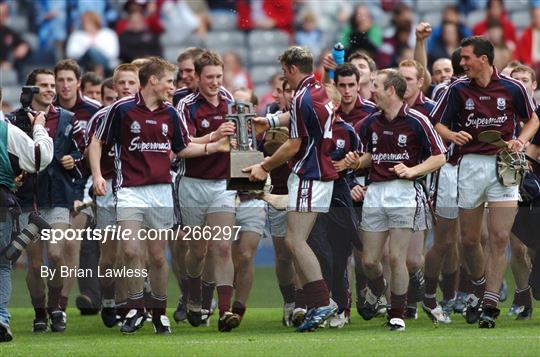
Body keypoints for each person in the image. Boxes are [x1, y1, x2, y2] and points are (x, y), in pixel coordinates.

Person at [90, 56, 231, 335]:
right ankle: (135, 308)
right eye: (168, 80)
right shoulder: (121, 109)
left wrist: (212, 147)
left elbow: (182, 148)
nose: (173, 86)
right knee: (130, 249)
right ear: (153, 80)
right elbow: (97, 141)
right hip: (129, 190)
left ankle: (158, 313)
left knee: (156, 256)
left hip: (161, 191)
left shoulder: (171, 113)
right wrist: (96, 174)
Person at [431, 36, 539, 328]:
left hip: (503, 164)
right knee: (469, 239)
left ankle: (490, 302)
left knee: (500, 237)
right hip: (470, 165)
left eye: (466, 58)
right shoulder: (457, 89)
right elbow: (436, 121)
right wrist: (452, 136)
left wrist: (521, 140)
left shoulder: (512, 87)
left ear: (484, 59)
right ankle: (479, 288)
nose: (461, 62)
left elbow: (533, 119)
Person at [244, 46, 338, 332]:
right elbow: (300, 116)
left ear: (293, 69)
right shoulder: (318, 90)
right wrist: (271, 120)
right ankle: (317, 302)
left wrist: (265, 166)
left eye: (285, 71)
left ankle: (322, 303)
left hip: (310, 174)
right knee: (297, 242)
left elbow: (294, 144)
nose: (284, 76)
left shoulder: (301, 96)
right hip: (319, 173)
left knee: (295, 241)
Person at [345, 69, 446, 331]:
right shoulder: (371, 122)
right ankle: (380, 289)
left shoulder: (417, 120)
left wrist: (413, 171)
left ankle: (397, 314)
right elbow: (371, 155)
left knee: (396, 258)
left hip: (404, 192)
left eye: (376, 86)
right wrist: (357, 162)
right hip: (376, 192)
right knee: (368, 261)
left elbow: (439, 156)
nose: (371, 90)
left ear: (391, 90)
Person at [14, 68, 86, 333]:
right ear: (31, 89)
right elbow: (9, 155)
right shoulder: (15, 120)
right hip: (28, 198)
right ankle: (40, 313)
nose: (50, 89)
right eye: (44, 85)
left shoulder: (68, 118)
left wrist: (74, 160)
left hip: (58, 196)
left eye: (52, 85)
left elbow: (82, 152)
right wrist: (14, 176)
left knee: (56, 254)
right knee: (34, 263)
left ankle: (56, 307)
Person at [176, 50, 238, 332]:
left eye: (218, 76)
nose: (215, 82)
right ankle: (193, 292)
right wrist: (214, 137)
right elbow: (182, 146)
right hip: (193, 183)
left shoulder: (230, 101)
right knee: (197, 250)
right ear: (197, 78)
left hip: (221, 184)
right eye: (209, 77)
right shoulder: (186, 105)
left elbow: (240, 138)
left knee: (222, 246)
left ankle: (225, 310)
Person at [85, 63, 140, 328]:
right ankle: (108, 298)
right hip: (109, 188)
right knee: (109, 255)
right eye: (123, 83)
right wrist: (96, 175)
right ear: (115, 87)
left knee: (136, 250)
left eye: (132, 82)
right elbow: (93, 146)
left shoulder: (151, 114)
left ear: (139, 85)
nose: (127, 87)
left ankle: (132, 304)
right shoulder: (103, 116)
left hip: (140, 189)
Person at [0, 87, 54, 342]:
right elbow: (39, 157)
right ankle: (0, 317)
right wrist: (40, 128)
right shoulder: (7, 130)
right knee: (1, 264)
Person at [53, 59, 101, 314]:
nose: (64, 85)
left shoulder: (94, 110)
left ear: (78, 83)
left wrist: (81, 160)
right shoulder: (48, 111)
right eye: (60, 80)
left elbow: (100, 147)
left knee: (71, 243)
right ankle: (49, 302)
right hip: (52, 185)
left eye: (69, 79)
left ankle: (60, 304)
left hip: (83, 185)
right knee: (52, 250)